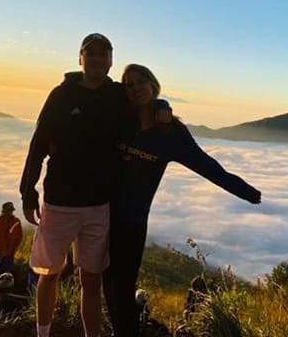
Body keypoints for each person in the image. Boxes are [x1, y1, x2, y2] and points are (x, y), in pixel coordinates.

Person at [20, 33, 167, 337]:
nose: (98, 59)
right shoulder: (61, 95)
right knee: (49, 274)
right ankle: (43, 333)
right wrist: (28, 189)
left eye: (105, 53)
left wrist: (162, 104)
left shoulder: (117, 94)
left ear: (111, 60)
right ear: (80, 58)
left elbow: (143, 99)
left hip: (99, 205)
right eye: (92, 53)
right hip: (59, 202)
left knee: (92, 280)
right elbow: (38, 143)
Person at [104, 64, 262, 337]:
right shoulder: (120, 117)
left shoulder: (171, 132)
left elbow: (206, 165)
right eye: (129, 84)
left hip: (132, 220)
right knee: (104, 282)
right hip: (97, 212)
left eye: (142, 81)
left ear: (154, 85)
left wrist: (247, 192)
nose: (135, 87)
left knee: (124, 285)